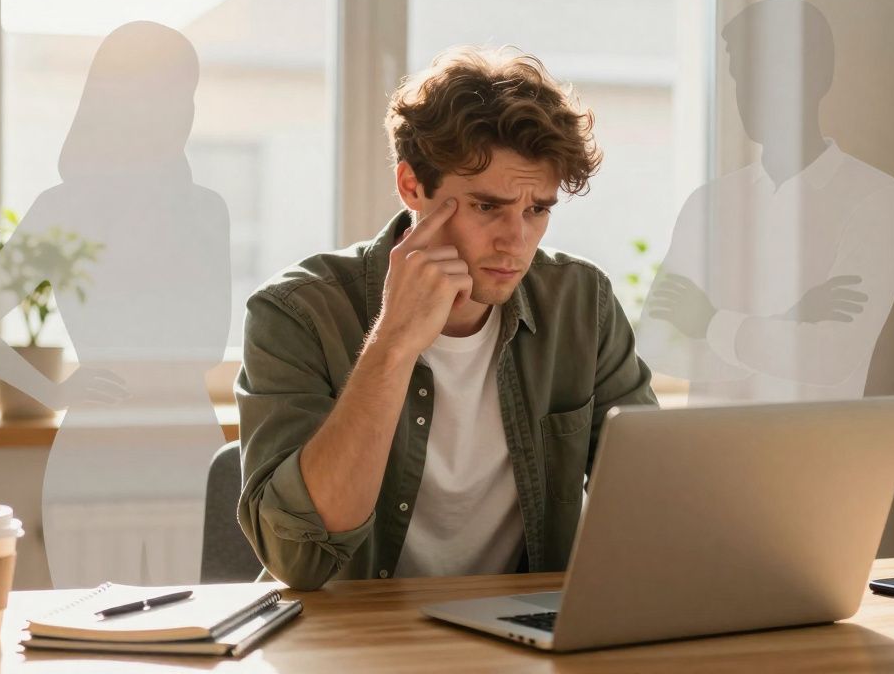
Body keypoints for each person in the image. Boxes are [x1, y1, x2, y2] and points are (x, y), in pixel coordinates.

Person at [236, 47, 658, 591]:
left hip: (521, 640)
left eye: (538, 210)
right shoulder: (296, 312)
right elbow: (298, 560)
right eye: (487, 207)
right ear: (412, 186)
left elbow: (656, 509)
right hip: (347, 639)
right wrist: (392, 342)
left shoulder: (581, 303)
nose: (516, 240)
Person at [0, 21, 231, 587]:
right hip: (98, 458)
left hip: (190, 456)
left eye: (188, 95)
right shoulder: (64, 210)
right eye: (169, 93)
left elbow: (204, 344)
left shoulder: (204, 211)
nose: (182, 111)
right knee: (89, 641)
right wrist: (52, 393)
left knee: (196, 638)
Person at [637, 0, 894, 405]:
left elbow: (830, 358)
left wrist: (711, 322)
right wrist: (790, 319)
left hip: (814, 458)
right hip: (708, 452)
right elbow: (658, 344)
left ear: (818, 77)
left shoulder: (876, 199)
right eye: (740, 76)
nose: (748, 93)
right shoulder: (707, 204)